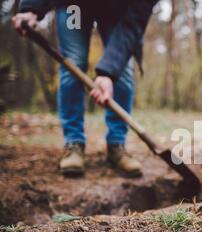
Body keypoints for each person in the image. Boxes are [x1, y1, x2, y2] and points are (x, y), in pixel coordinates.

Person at [13, 0, 159, 178]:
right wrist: (31, 8)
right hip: (73, 6)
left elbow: (134, 22)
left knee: (123, 71)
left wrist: (108, 73)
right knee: (73, 63)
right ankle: (73, 143)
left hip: (119, 10)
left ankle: (116, 144)